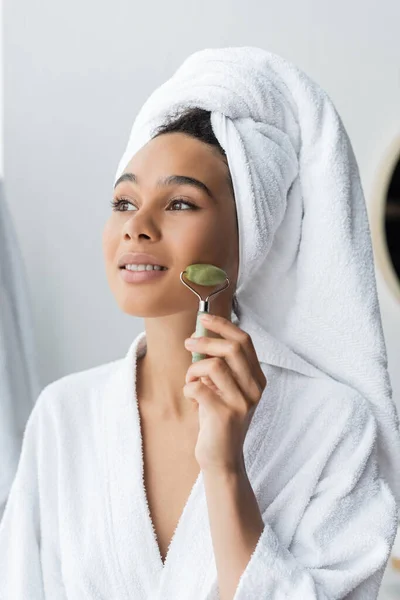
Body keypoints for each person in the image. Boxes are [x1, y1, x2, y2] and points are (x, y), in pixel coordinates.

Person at [1, 47, 399, 600]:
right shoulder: (63, 416)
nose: (137, 225)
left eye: (181, 203)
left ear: (249, 236)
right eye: (123, 201)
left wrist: (226, 468)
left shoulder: (333, 426)